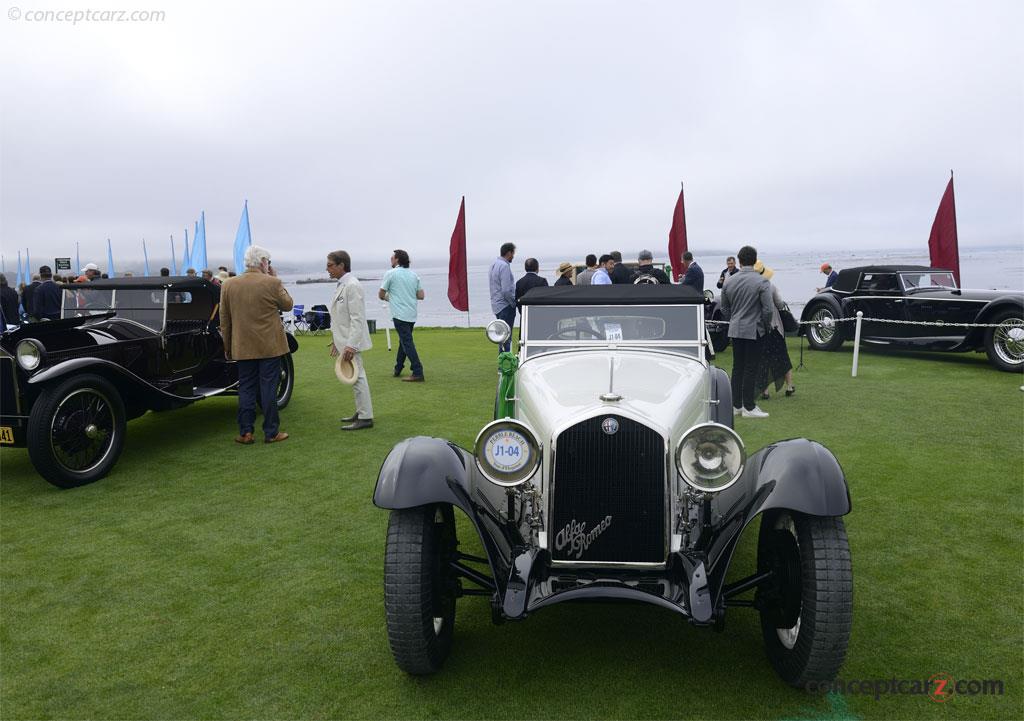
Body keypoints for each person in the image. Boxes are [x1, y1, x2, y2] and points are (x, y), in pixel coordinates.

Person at [219, 245, 294, 445]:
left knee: (246, 388)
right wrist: (275, 278)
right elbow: (288, 304)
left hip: (242, 345)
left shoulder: (228, 284)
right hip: (270, 345)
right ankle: (271, 432)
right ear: (263, 262)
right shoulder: (272, 282)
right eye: (268, 262)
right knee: (268, 387)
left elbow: (224, 319)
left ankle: (246, 432)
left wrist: (227, 345)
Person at [720, 246, 773, 419]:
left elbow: (724, 308)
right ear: (755, 259)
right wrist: (765, 326)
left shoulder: (729, 281)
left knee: (738, 368)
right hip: (754, 329)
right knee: (751, 368)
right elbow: (767, 310)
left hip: (735, 328)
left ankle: (737, 405)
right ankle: (749, 407)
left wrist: (733, 320)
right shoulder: (762, 281)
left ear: (739, 261)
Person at [328, 250, 374, 430]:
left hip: (351, 342)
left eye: (330, 265)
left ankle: (365, 417)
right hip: (345, 340)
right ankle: (361, 411)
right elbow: (340, 318)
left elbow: (357, 318)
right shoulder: (343, 285)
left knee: (358, 377)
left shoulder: (352, 285)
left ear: (341, 265)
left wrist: (351, 345)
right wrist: (335, 340)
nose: (327, 269)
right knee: (356, 377)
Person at [379, 248, 425, 382]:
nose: (391, 260)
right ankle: (398, 368)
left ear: (397, 259)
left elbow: (381, 294)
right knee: (403, 341)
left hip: (399, 314)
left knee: (407, 342)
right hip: (411, 314)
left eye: (392, 258)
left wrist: (391, 298)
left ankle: (417, 371)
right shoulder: (414, 275)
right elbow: (421, 295)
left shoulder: (390, 274)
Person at [752, 261, 795, 400]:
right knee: (783, 356)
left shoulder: (750, 288)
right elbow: (780, 304)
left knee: (762, 359)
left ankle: (765, 391)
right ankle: (789, 386)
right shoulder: (771, 286)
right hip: (775, 327)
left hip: (758, 328)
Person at [489, 242, 516, 351]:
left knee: (501, 336)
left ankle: (502, 361)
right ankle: (506, 364)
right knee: (506, 336)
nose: (513, 256)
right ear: (509, 253)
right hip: (505, 305)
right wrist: (513, 302)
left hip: (496, 305)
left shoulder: (493, 264)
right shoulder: (504, 266)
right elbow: (506, 290)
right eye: (513, 253)